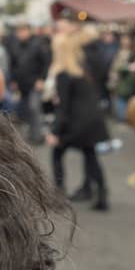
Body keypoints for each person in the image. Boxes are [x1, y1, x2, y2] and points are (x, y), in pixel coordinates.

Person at [46, 34, 110, 211]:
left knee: (57, 153)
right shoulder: (83, 70)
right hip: (93, 120)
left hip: (76, 123)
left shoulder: (63, 75)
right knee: (90, 156)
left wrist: (55, 132)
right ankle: (102, 194)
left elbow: (63, 107)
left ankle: (59, 194)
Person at [7, 23, 50, 145]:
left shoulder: (38, 44)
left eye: (23, 31)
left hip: (35, 83)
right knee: (26, 109)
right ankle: (32, 134)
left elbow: (46, 63)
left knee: (34, 107)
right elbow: (13, 64)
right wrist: (14, 80)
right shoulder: (14, 45)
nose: (20, 34)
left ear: (28, 31)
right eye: (18, 31)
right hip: (22, 84)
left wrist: (42, 79)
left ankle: (38, 136)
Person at [108, 33, 135, 122]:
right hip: (120, 81)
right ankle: (124, 118)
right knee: (120, 102)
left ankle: (128, 117)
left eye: (127, 39)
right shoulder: (117, 51)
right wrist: (128, 67)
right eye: (123, 39)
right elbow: (115, 67)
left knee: (127, 101)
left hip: (130, 81)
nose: (125, 41)